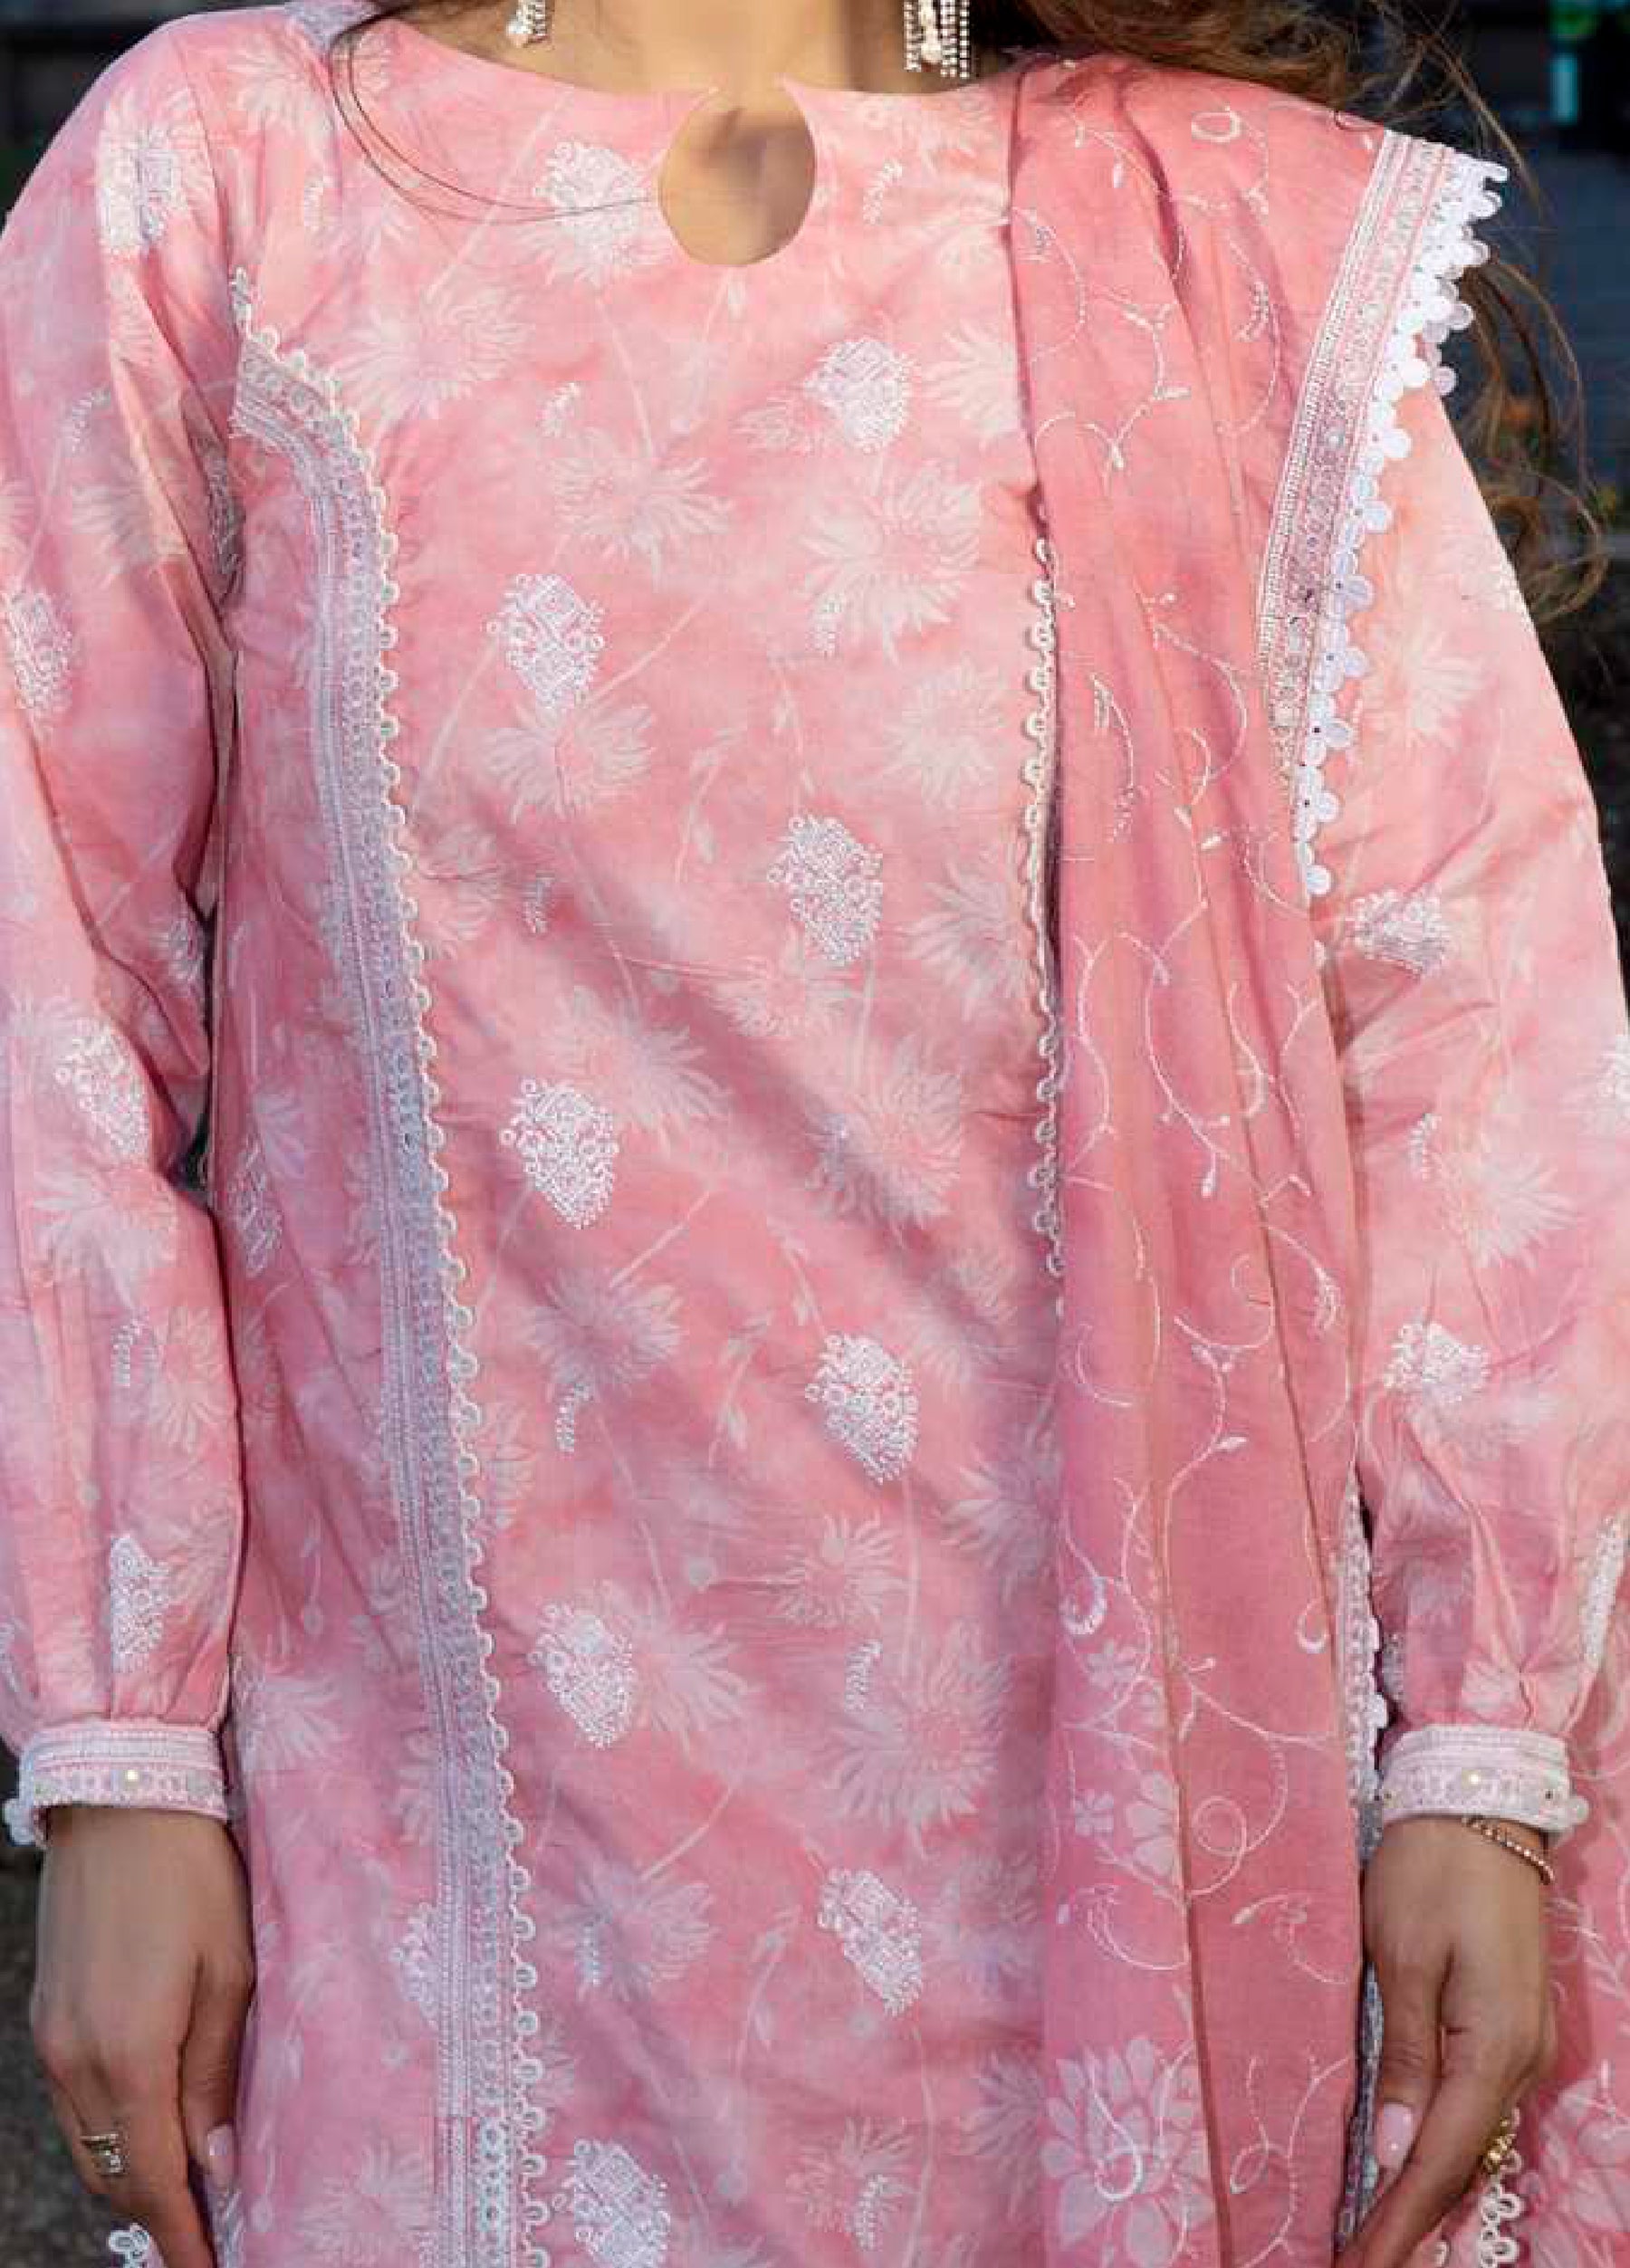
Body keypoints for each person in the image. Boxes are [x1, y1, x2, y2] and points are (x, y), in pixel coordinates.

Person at [2, 2, 1627, 2263]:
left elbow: (1476, 1029)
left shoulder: (1200, 242)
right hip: (442, 1874)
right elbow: (46, 977)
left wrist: (1479, 1744)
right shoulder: (236, 180)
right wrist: (115, 1748)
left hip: (1114, 1863)